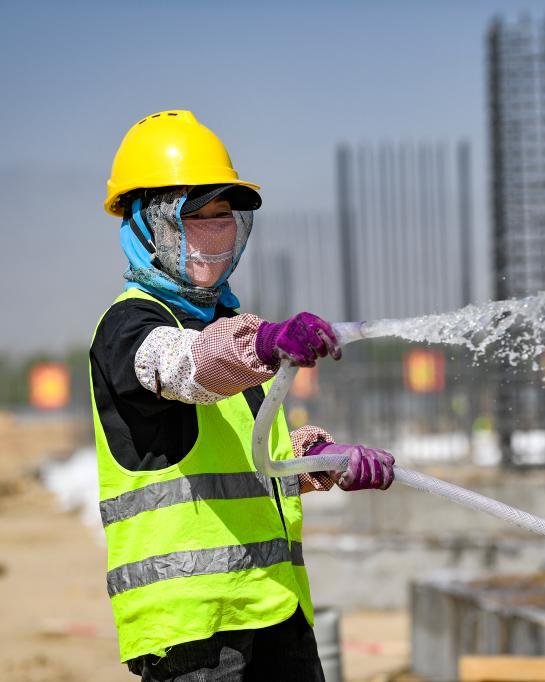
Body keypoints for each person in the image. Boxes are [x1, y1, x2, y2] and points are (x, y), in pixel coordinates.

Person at [90, 110, 397, 681]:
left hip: (274, 607)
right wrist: (265, 341)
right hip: (194, 628)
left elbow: (257, 458)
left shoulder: (227, 324)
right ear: (140, 226)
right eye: (191, 217)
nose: (212, 233)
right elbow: (187, 367)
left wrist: (329, 461)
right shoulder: (129, 328)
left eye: (222, 216)